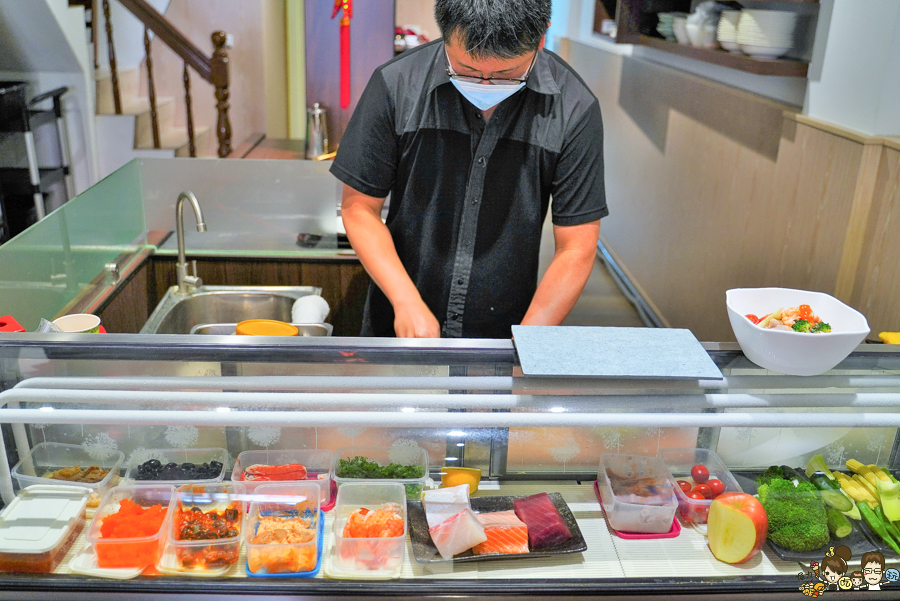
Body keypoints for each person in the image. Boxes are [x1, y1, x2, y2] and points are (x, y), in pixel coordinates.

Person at [332, 0, 606, 338]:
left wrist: (530, 341)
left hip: (505, 328)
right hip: (398, 321)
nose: (485, 84)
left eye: (507, 73)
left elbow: (576, 246)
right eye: (466, 70)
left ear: (540, 40)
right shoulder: (397, 84)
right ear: (445, 35)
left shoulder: (573, 107)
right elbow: (359, 207)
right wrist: (405, 301)